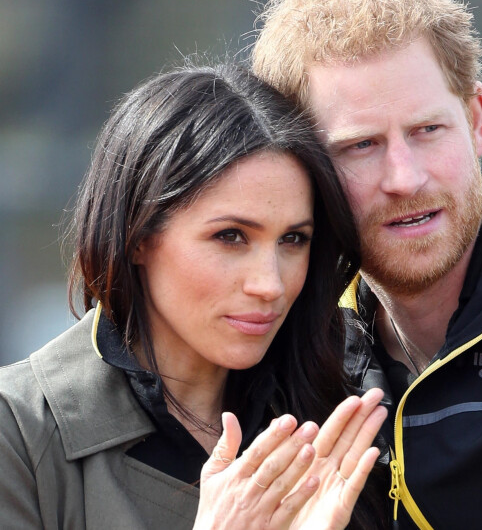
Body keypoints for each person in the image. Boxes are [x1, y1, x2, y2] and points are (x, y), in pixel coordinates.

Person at [251, 0, 482, 529]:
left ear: (476, 120)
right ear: (302, 167)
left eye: (428, 131)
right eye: (360, 145)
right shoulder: (287, 340)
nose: (404, 177)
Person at [0, 62, 391, 529]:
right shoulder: (20, 431)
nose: (269, 283)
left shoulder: (342, 409)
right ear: (138, 235)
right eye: (230, 236)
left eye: (293, 240)